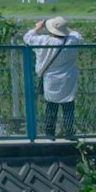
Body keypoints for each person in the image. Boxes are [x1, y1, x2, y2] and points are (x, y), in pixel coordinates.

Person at [25, 11, 82, 140]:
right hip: (68, 77)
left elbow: (27, 37)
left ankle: (50, 132)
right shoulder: (72, 41)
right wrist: (64, 27)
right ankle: (69, 131)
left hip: (50, 78)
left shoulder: (44, 40)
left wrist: (40, 26)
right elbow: (77, 35)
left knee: (51, 106)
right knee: (68, 105)